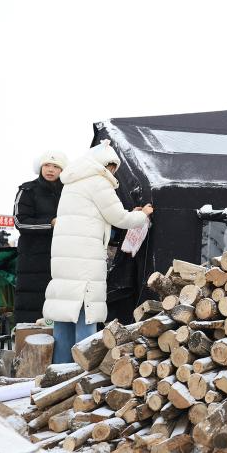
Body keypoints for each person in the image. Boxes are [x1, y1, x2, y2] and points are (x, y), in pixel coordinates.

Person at [43, 141, 152, 363]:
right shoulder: (98, 181)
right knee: (86, 314)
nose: (113, 172)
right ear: (105, 165)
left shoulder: (72, 182)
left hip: (65, 260)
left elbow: (95, 214)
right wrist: (143, 215)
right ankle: (84, 371)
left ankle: (59, 371)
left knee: (64, 315)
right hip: (86, 259)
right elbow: (119, 218)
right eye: (112, 167)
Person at [12, 151, 67, 324]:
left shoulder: (69, 192)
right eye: (47, 165)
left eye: (56, 166)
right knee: (31, 304)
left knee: (59, 305)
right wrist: (49, 223)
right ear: (40, 167)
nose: (50, 170)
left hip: (61, 256)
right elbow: (20, 222)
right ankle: (28, 338)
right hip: (32, 259)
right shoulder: (27, 189)